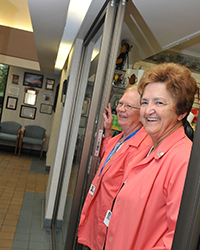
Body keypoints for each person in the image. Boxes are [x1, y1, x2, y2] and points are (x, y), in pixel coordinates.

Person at [104, 62, 198, 250]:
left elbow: (177, 240)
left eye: (159, 102)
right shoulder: (149, 148)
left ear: (181, 112)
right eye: (145, 102)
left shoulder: (183, 160)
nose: (148, 110)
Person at [77, 86, 152, 250]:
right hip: (100, 214)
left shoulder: (142, 146)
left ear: (142, 114)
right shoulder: (122, 137)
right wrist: (108, 130)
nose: (120, 109)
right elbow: (108, 159)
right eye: (120, 103)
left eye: (128, 106)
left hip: (112, 225)